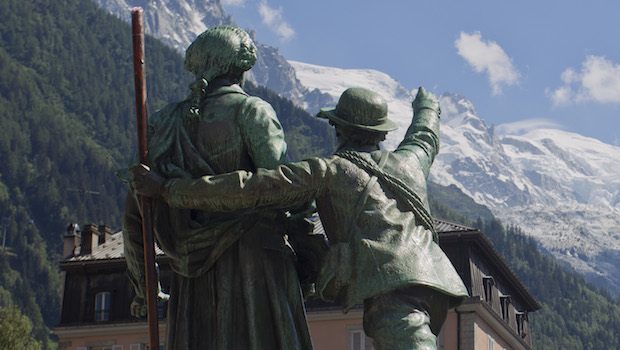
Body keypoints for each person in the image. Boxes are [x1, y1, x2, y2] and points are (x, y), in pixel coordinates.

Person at [133, 86, 468, 350]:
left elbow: (250, 188)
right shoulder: (410, 163)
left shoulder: (329, 171)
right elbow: (425, 136)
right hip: (432, 278)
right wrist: (427, 106)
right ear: (380, 133)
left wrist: (171, 190)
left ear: (338, 128)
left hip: (390, 280)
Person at [123, 25, 313, 349]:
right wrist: (308, 259)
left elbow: (136, 210)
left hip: (191, 276)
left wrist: (145, 284)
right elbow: (280, 190)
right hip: (255, 267)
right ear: (239, 68)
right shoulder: (252, 111)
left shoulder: (165, 123)